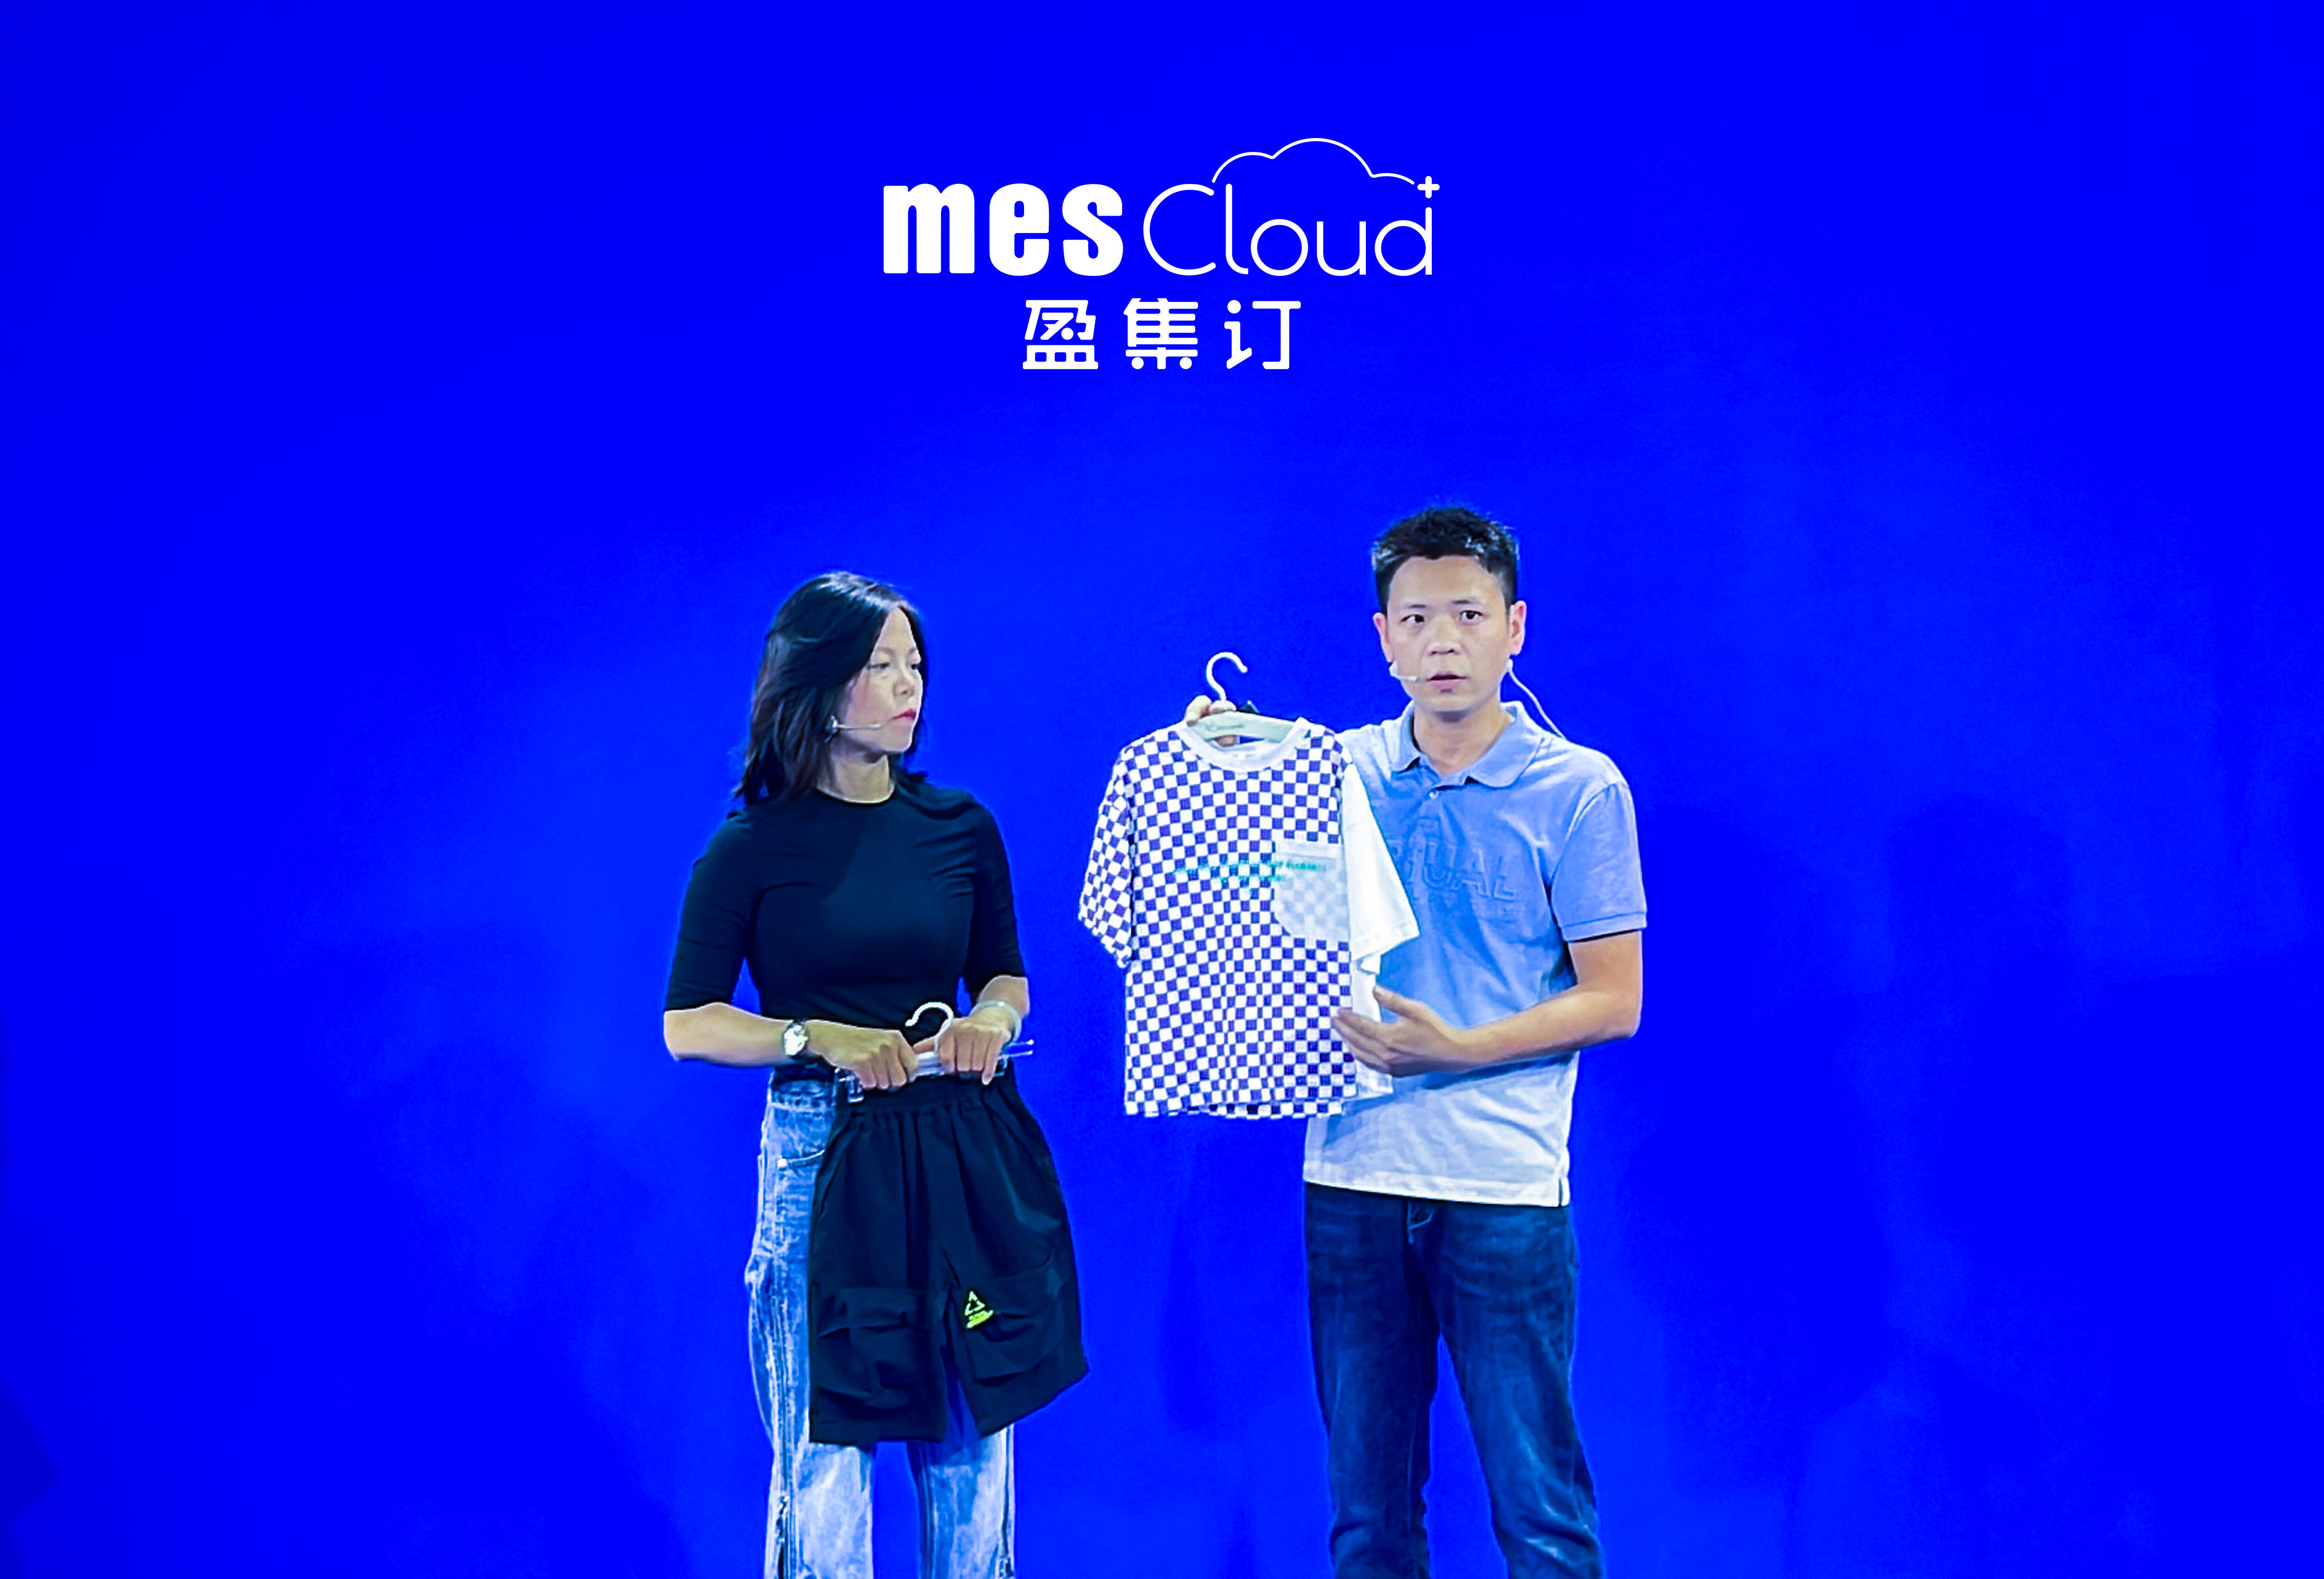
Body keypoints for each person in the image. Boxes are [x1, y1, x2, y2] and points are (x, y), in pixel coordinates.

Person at [1187, 505, 1646, 1579]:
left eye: (1470, 616)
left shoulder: (1580, 789)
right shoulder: (1327, 774)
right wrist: (1219, 759)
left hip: (1504, 1188)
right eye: (1418, 618)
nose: (1444, 641)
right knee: (1368, 1517)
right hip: (1352, 1178)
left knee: (1541, 1512)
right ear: (1383, 636)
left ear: (1515, 627)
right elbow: (1250, 908)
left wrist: (1460, 1048)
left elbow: (1614, 999)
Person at [663, 571, 1034, 1579]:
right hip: (822, 1160)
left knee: (974, 1445)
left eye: (915, 664)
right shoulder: (749, 848)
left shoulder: (961, 826)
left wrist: (991, 1019)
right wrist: (816, 1036)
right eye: (882, 665)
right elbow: (688, 1023)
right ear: (822, 685)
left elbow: (1004, 974)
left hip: (954, 1152)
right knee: (823, 1462)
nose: (910, 685)